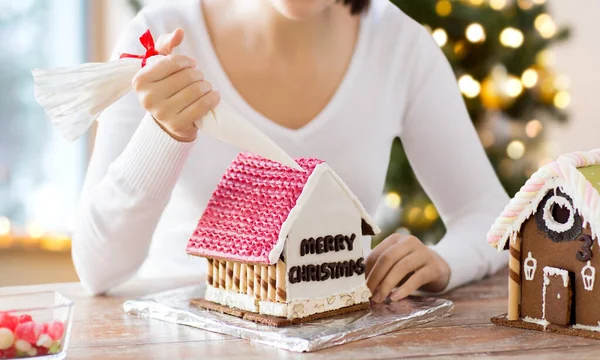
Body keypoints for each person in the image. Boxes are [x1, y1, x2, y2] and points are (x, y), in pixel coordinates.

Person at [73, 0, 509, 301]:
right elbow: (98, 269)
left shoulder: (401, 46)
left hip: (335, 336)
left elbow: (489, 216)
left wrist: (444, 263)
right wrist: (164, 134)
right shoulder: (156, 39)